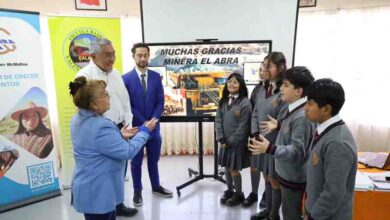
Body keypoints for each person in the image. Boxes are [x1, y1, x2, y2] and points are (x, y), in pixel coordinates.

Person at [69, 76, 158, 220]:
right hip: (98, 193)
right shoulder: (100, 126)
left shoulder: (78, 119)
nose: (108, 96)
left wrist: (119, 136)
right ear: (93, 105)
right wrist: (145, 131)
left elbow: (96, 145)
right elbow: (127, 152)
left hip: (88, 188)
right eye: (104, 95)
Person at [76, 38, 135, 216]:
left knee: (119, 169)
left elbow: (125, 101)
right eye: (107, 55)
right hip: (103, 131)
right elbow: (85, 109)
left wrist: (128, 122)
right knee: (106, 172)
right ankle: (107, 205)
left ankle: (118, 203)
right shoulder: (84, 77)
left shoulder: (116, 73)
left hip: (121, 128)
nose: (112, 59)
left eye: (113, 54)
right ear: (93, 56)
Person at [249, 66, 315, 220]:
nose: (281, 88)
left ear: (298, 91)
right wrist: (279, 125)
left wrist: (270, 148)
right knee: (287, 212)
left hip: (294, 178)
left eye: (285, 85)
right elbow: (292, 132)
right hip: (286, 174)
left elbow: (298, 151)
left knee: (291, 215)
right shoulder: (292, 108)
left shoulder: (302, 116)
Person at [122, 43, 172, 207]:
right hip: (136, 128)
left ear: (148, 56)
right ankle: (137, 191)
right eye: (139, 55)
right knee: (136, 161)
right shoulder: (125, 79)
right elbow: (127, 105)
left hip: (154, 127)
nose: (142, 58)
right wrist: (144, 122)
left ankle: (156, 186)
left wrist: (154, 119)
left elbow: (160, 101)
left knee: (153, 160)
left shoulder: (156, 77)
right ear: (133, 56)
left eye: (145, 55)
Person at [303, 79, 357, 220]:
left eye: (310, 104)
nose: (305, 108)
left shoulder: (338, 143)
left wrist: (313, 216)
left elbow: (333, 193)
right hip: (315, 211)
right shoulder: (322, 129)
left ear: (326, 109)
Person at [250, 52, 288, 220]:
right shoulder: (262, 88)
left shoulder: (284, 92)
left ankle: (273, 215)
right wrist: (255, 133)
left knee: (274, 179)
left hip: (274, 143)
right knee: (266, 175)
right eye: (264, 65)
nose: (264, 69)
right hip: (261, 142)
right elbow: (255, 113)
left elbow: (284, 120)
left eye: (268, 66)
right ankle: (266, 210)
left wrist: (269, 139)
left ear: (281, 68)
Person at [216, 72, 252, 206]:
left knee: (234, 169)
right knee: (226, 167)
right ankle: (230, 190)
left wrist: (230, 141)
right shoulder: (224, 100)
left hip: (236, 144)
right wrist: (221, 137)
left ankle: (239, 193)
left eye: (235, 82)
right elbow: (218, 120)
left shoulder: (245, 103)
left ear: (241, 85)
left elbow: (244, 127)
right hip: (224, 142)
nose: (231, 84)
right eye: (229, 81)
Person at [244, 55, 270, 208]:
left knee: (267, 170)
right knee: (255, 166)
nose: (261, 72)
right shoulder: (257, 89)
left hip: (270, 136)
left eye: (264, 69)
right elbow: (252, 111)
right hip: (256, 134)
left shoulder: (277, 89)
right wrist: (253, 133)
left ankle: (267, 195)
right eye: (259, 69)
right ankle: (254, 193)